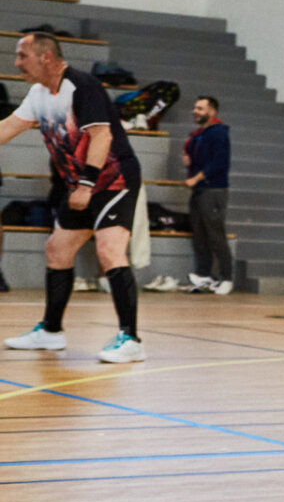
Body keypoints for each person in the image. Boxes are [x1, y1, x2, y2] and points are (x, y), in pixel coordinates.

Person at [0, 32, 147, 362]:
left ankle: (131, 339)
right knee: (57, 250)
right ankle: (51, 332)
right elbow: (8, 127)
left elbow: (101, 136)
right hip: (81, 184)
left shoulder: (81, 86)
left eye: (23, 56)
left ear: (46, 57)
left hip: (113, 179)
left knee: (110, 251)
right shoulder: (38, 94)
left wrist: (85, 185)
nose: (17, 63)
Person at [183, 94, 233, 294]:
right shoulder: (200, 134)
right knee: (199, 234)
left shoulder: (218, 133)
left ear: (212, 111)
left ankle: (227, 277)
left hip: (213, 190)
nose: (195, 111)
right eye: (195, 108)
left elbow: (219, 161)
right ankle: (204, 274)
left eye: (200, 108)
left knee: (215, 235)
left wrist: (197, 178)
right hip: (200, 190)